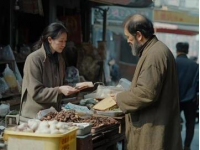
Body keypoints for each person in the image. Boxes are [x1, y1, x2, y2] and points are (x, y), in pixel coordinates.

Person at [113, 15, 182, 150]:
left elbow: (146, 93)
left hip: (153, 131)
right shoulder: (154, 50)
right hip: (155, 124)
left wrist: (118, 98)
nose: (128, 41)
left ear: (139, 35)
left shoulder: (154, 55)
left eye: (129, 37)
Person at [19, 23, 80, 122]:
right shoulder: (34, 59)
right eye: (60, 41)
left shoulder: (60, 60)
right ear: (50, 40)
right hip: (33, 118)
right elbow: (37, 93)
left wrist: (74, 88)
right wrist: (59, 90)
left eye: (65, 41)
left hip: (51, 116)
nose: (64, 45)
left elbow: (61, 86)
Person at [176, 42, 199, 150]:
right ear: (187, 51)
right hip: (190, 99)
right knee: (190, 123)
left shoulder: (173, 63)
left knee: (173, 121)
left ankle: (174, 143)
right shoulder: (195, 65)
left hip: (175, 99)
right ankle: (187, 146)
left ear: (177, 50)